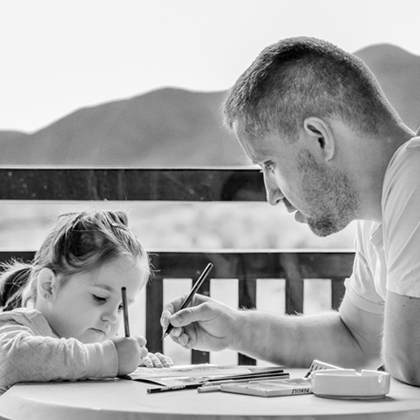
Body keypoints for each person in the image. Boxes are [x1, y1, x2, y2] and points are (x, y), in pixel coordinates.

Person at [161, 36, 420, 386]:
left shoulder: (414, 174)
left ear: (320, 139)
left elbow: (412, 361)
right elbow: (355, 338)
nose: (270, 194)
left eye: (269, 164)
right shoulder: (379, 207)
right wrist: (234, 330)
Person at [0, 209, 172, 395]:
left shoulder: (91, 352)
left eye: (121, 306)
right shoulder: (18, 327)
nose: (112, 317)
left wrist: (134, 363)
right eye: (100, 298)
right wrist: (109, 358)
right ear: (49, 286)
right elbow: (12, 359)